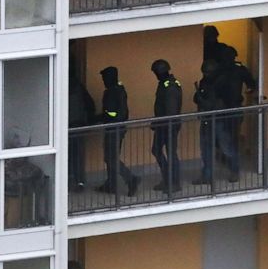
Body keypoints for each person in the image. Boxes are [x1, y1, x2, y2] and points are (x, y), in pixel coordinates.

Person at [213, 45, 258, 182]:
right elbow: (251, 84)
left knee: (228, 141)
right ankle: (231, 165)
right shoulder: (237, 70)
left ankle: (234, 169)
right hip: (229, 110)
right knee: (228, 141)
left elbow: (252, 84)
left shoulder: (223, 70)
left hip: (229, 110)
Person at [98, 67, 140, 196]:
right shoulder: (116, 90)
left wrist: (99, 118)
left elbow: (115, 113)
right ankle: (111, 183)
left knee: (110, 158)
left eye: (104, 78)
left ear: (110, 78)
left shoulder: (114, 92)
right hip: (114, 128)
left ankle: (131, 179)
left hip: (114, 129)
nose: (103, 81)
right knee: (110, 157)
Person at [150, 59, 183, 192]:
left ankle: (174, 183)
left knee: (171, 154)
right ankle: (167, 179)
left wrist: (161, 123)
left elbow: (171, 110)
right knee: (156, 150)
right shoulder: (164, 84)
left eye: (156, 73)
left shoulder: (170, 86)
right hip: (162, 125)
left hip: (169, 126)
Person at [192, 59, 224, 185]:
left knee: (226, 147)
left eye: (208, 72)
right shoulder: (204, 82)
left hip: (217, 120)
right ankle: (207, 175)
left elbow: (213, 104)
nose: (205, 75)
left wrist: (201, 100)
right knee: (205, 150)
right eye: (204, 72)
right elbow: (200, 98)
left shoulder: (220, 84)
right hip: (206, 119)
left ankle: (234, 170)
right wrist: (198, 97)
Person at [68, 70, 96, 192]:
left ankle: (68, 182)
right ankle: (79, 182)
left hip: (66, 127)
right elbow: (90, 105)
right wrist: (89, 121)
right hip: (78, 125)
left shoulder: (59, 84)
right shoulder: (79, 87)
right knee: (77, 155)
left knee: (67, 155)